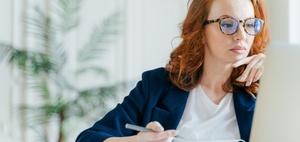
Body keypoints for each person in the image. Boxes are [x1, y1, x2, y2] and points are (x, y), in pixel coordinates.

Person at [76, 0, 269, 141]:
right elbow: (88, 138)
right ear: (200, 32)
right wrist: (134, 141)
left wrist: (277, 76)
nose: (242, 35)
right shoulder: (157, 85)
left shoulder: (267, 89)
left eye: (250, 24)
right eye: (227, 24)